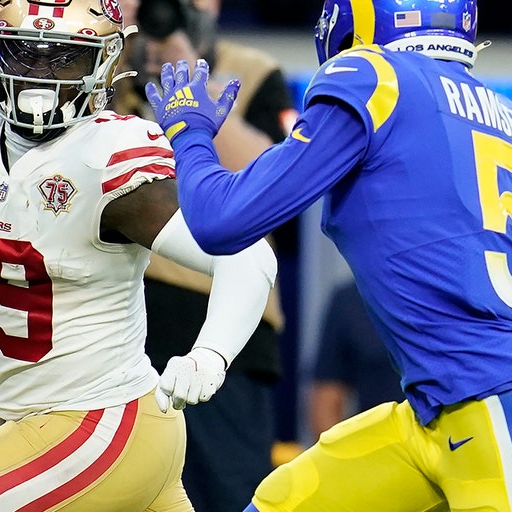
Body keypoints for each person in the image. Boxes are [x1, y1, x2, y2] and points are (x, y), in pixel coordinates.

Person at [146, 0, 512, 509]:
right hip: (440, 412)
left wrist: (190, 134)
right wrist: (486, 333)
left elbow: (222, 222)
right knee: (286, 500)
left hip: (497, 408)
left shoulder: (373, 77)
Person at [0, 1, 277, 511]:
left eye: (65, 58)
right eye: (24, 53)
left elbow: (248, 253)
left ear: (105, 62)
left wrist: (211, 352)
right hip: (60, 424)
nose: (41, 76)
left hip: (98, 422)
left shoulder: (108, 156)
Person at [113, 2, 297, 510]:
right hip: (113, 325)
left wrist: (187, 74)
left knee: (226, 495)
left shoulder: (255, 71)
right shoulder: (108, 63)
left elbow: (274, 183)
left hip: (224, 327)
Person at [307, 280, 403, 437]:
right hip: (380, 449)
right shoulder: (350, 300)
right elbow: (326, 400)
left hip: (452, 448)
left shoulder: (452, 290)